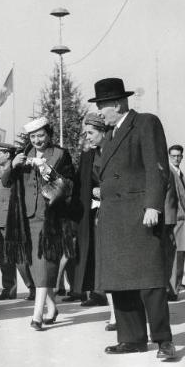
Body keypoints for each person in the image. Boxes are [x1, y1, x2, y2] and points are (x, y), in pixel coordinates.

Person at [90, 77, 176, 360]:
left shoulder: (145, 123)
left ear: (117, 103)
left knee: (149, 281)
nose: (99, 111)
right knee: (119, 281)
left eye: (102, 105)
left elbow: (157, 167)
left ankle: (163, 340)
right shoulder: (112, 133)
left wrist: (153, 205)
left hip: (139, 214)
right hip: (114, 217)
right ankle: (132, 338)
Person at [3, 116, 75, 331]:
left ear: (49, 135)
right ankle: (52, 307)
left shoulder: (61, 155)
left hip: (50, 218)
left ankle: (37, 315)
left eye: (41, 135)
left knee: (44, 264)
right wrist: (12, 165)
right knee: (33, 266)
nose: (37, 140)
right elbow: (6, 182)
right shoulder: (22, 155)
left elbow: (68, 185)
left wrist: (44, 168)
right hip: (25, 219)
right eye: (33, 136)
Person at [71, 113, 112, 313]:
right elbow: (82, 184)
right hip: (94, 212)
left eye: (90, 132)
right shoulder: (88, 156)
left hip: (114, 208)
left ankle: (113, 294)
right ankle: (97, 292)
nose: (87, 137)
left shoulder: (113, 151)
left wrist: (103, 189)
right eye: (85, 133)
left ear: (103, 132)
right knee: (94, 251)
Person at [0, 143, 36, 301]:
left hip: (10, 219)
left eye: (0, 153)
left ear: (8, 154)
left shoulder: (15, 168)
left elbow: (5, 181)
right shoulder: (2, 169)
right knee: (4, 258)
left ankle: (33, 287)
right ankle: (9, 289)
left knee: (19, 258)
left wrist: (13, 164)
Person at [164, 144, 185, 296]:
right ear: (169, 156)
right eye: (173, 156)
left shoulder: (178, 172)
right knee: (175, 254)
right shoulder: (169, 171)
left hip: (182, 219)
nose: (176, 158)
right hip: (176, 219)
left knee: (180, 253)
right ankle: (172, 290)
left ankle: (176, 285)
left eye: (179, 156)